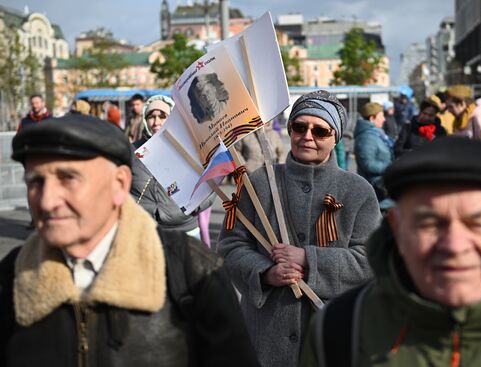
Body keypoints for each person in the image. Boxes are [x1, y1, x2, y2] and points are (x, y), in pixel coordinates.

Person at [1, 114, 259, 367]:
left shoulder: (191, 270)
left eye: (68, 179)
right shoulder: (12, 276)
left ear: (119, 183)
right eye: (35, 181)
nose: (47, 201)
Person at [300, 136, 481, 367]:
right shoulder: (341, 330)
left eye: (478, 224)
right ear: (397, 228)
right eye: (429, 223)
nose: (454, 245)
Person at [217, 90, 381, 367]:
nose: (307, 136)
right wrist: (265, 273)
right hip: (264, 338)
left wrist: (309, 259)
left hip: (332, 335)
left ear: (335, 138)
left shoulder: (358, 191)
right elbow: (230, 247)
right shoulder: (259, 183)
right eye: (299, 127)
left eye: (320, 131)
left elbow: (371, 259)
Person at [131, 95, 212, 240]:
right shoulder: (132, 151)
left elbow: (210, 184)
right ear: (145, 119)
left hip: (185, 232)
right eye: (151, 116)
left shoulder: (189, 147)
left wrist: (189, 209)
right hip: (145, 231)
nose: (156, 122)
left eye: (162, 116)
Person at [354, 102, 393, 209]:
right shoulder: (367, 137)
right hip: (377, 190)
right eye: (381, 116)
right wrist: (390, 167)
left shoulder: (378, 134)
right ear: (372, 118)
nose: (384, 119)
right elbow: (367, 163)